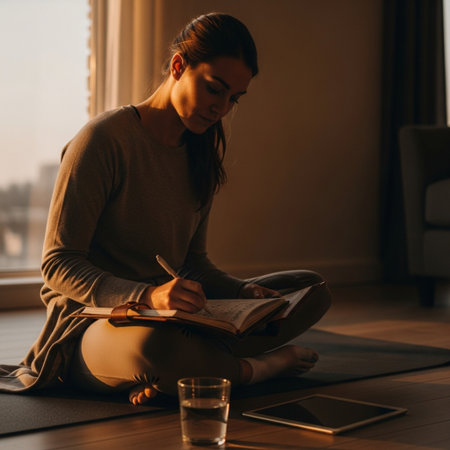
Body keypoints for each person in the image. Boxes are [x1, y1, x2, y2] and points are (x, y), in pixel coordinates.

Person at [0, 13, 331, 404]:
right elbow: (58, 264)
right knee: (155, 348)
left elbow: (193, 264)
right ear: (179, 66)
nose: (222, 108)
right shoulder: (102, 141)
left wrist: (243, 292)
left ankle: (185, 370)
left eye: (233, 99)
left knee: (308, 289)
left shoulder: (200, 151)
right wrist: (148, 297)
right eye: (214, 90)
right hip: (95, 324)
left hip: (173, 316)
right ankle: (258, 368)